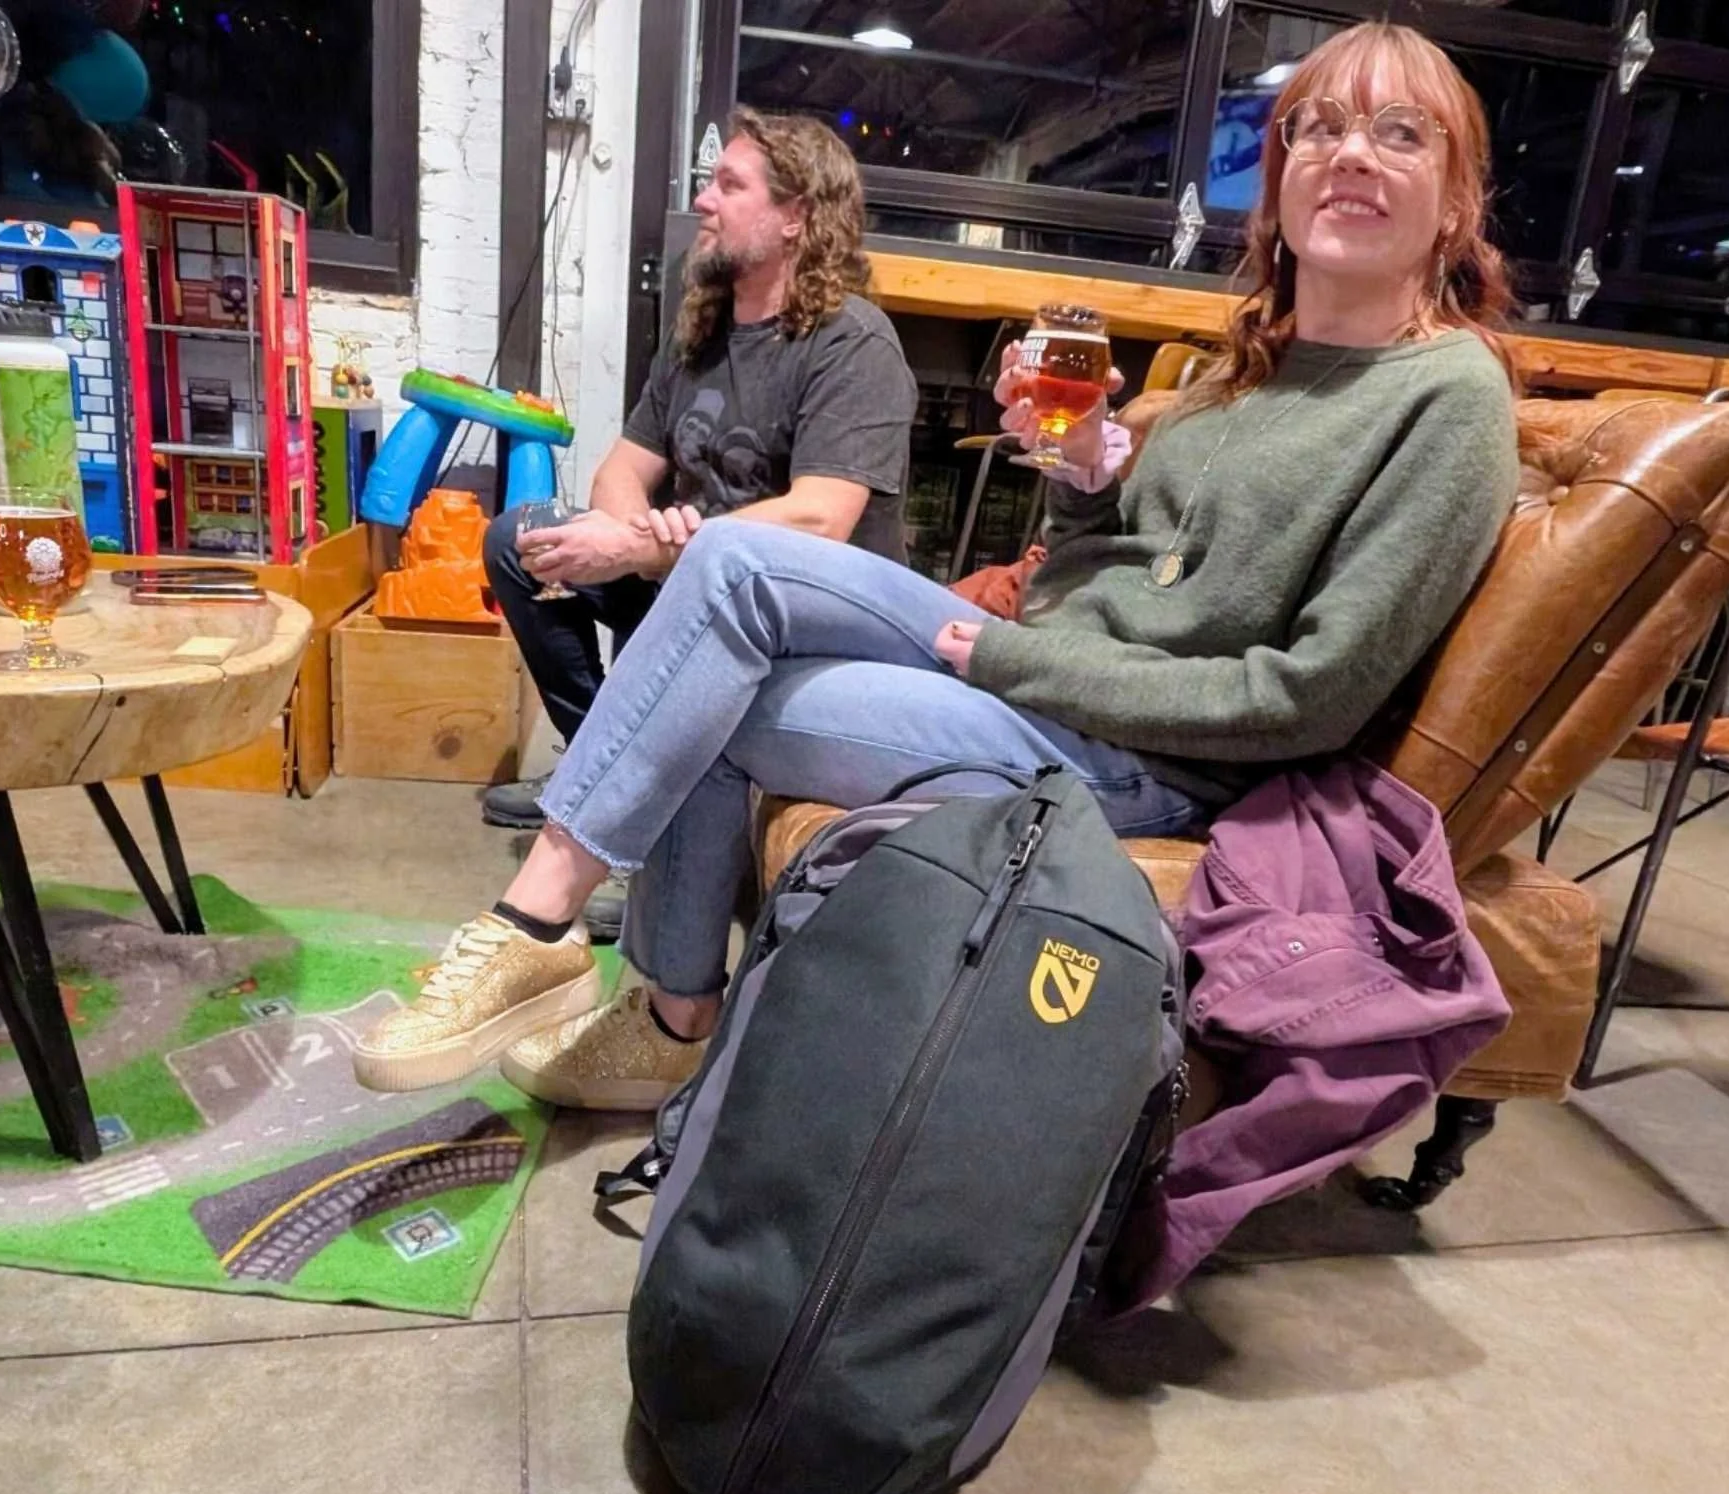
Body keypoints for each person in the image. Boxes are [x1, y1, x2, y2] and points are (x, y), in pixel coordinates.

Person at [354, 21, 1522, 1111]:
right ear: (1278, 175)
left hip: (1152, 754)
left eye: (1399, 132)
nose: (1351, 155)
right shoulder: (1248, 364)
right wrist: (1081, 473)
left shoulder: (1449, 399)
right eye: (1319, 127)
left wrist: (1017, 655)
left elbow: (1306, 699)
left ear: (1457, 196)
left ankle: (597, 972)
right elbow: (1112, 568)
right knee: (727, 570)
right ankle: (590, 964)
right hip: (1048, 671)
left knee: (707, 660)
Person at [476, 108, 919, 941]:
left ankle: (619, 805)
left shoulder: (852, 343)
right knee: (520, 540)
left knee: (644, 590)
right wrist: (620, 538)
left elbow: (821, 517)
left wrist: (636, 548)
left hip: (797, 621)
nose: (703, 200)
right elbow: (622, 469)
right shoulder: (703, 329)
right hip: (680, 578)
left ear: (796, 217)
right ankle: (611, 775)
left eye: (728, 184)